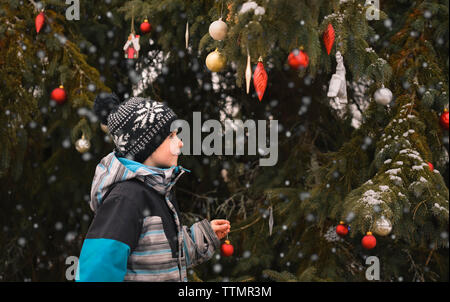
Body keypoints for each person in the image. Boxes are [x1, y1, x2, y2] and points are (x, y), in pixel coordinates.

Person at [76, 93, 230, 282]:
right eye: (171, 136)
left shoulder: (158, 191)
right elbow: (97, 271)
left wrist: (204, 236)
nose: (180, 142)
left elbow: (165, 258)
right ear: (146, 145)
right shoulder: (126, 199)